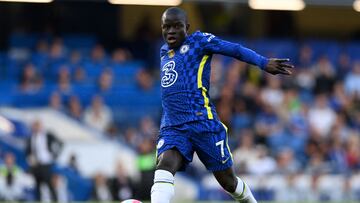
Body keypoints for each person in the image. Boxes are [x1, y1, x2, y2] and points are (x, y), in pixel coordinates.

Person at [151, 7, 293, 203]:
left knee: (228, 182)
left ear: (188, 27)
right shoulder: (164, 51)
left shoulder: (200, 41)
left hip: (202, 122)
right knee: (164, 166)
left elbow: (234, 49)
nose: (171, 31)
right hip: (174, 126)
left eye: (177, 26)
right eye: (166, 27)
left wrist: (263, 62)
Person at [25, 120, 63, 202]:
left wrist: (55, 155)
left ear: (41, 126)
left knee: (50, 185)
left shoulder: (48, 135)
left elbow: (60, 142)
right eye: (34, 126)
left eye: (37, 126)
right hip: (36, 165)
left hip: (46, 164)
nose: (36, 128)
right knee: (38, 185)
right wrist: (30, 159)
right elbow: (28, 151)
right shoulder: (31, 137)